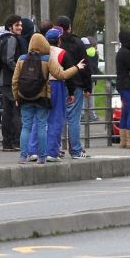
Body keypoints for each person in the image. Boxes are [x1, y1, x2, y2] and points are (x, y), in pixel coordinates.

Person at [12, 32, 85, 164]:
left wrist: (16, 97)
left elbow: (15, 80)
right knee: (45, 124)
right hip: (44, 94)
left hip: (25, 96)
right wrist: (76, 68)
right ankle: (45, 155)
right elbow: (61, 74)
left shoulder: (22, 59)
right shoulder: (49, 58)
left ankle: (26, 154)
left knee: (27, 126)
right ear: (58, 40)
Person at [56, 15, 93, 159]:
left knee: (57, 117)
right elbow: (85, 66)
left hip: (59, 84)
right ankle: (76, 150)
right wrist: (88, 86)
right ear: (70, 27)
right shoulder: (77, 43)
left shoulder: (55, 43)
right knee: (74, 118)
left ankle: (55, 148)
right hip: (76, 84)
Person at [0, 15, 25, 151]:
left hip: (2, 79)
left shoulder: (0, 39)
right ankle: (16, 142)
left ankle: (7, 143)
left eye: (21, 25)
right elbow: (9, 59)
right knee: (16, 110)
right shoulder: (11, 39)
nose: (20, 28)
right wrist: (20, 71)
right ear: (10, 27)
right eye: (17, 25)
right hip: (10, 79)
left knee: (7, 111)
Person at [45, 28, 74, 160]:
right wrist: (71, 92)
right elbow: (69, 73)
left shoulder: (40, 52)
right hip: (57, 85)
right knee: (56, 119)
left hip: (42, 86)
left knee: (39, 120)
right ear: (59, 40)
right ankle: (52, 151)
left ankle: (35, 150)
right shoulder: (62, 53)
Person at [82, 36, 100, 121]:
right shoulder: (95, 52)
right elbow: (96, 66)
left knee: (82, 97)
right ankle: (92, 115)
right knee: (91, 96)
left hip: (83, 76)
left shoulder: (82, 52)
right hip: (92, 77)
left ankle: (82, 115)